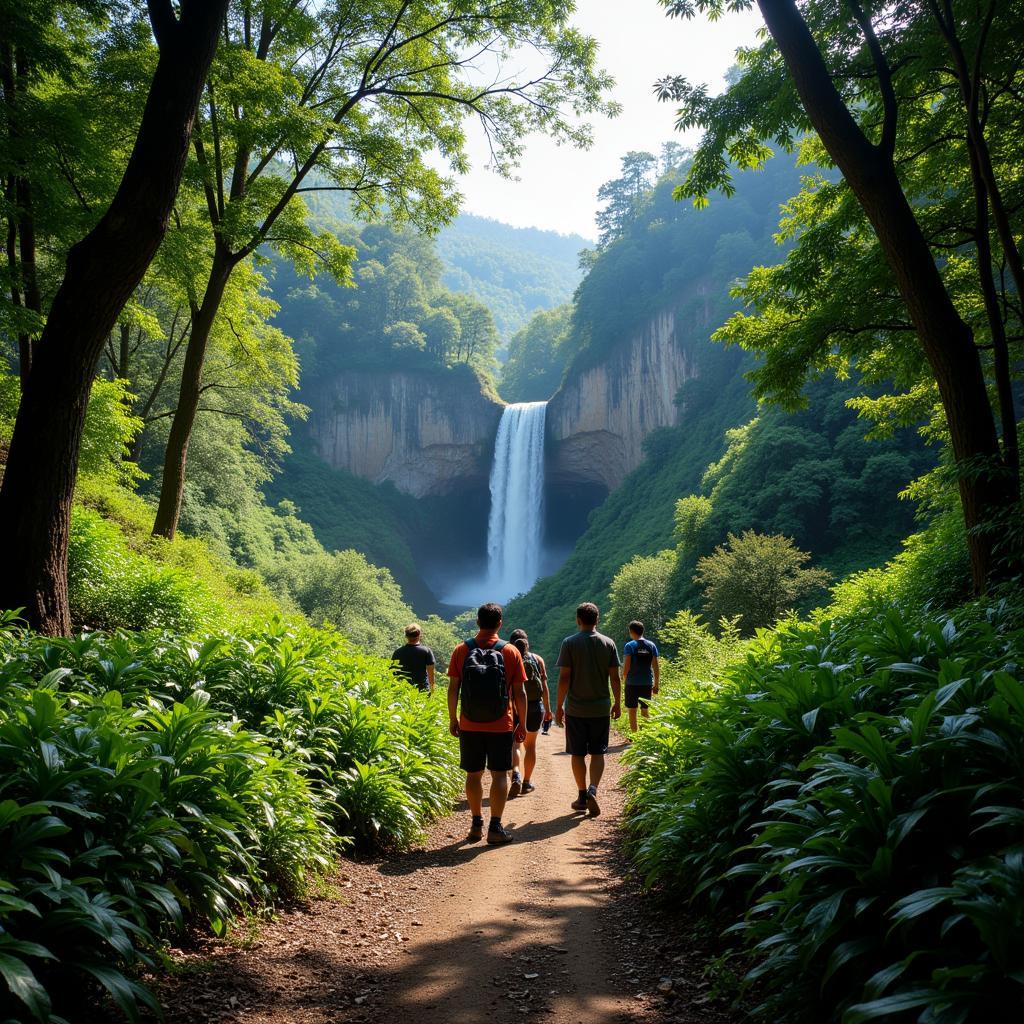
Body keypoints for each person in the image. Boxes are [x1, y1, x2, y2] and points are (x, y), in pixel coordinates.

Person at [447, 603, 528, 845]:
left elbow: (453, 689)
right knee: (499, 774)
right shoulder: (511, 651)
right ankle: (495, 827)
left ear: (477, 622)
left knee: (473, 775)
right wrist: (522, 722)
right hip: (501, 724)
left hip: (469, 724)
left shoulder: (461, 650)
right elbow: (520, 692)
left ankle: (475, 824)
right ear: (500, 624)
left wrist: (453, 718)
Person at [554, 602, 621, 818]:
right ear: (597, 620)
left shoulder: (569, 643)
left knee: (577, 753)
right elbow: (614, 677)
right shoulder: (608, 643)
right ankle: (594, 789)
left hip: (575, 709)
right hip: (600, 708)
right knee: (598, 751)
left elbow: (564, 677)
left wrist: (558, 707)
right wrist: (618, 702)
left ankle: (582, 795)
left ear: (578, 620)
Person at [507, 628, 551, 796]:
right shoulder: (537, 659)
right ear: (527, 642)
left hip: (513, 706)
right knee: (530, 746)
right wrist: (547, 709)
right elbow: (544, 687)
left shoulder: (507, 658)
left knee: (515, 744)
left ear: (511, 643)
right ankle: (526, 783)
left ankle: (516, 774)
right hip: (534, 706)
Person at [622, 620, 659, 733]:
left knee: (632, 710)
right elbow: (656, 667)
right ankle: (646, 736)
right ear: (642, 631)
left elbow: (626, 667)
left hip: (632, 683)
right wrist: (656, 684)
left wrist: (624, 679)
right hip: (647, 683)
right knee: (645, 710)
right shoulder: (651, 645)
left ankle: (634, 736)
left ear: (631, 631)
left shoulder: (630, 646)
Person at [390, 623, 436, 695]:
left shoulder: (397, 652)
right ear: (419, 635)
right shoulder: (426, 651)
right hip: (422, 690)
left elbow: (393, 672)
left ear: (406, 636)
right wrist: (432, 690)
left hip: (402, 691)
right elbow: (431, 673)